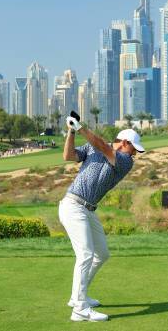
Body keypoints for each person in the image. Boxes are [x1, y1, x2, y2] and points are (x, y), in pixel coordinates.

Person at [59, 115, 144, 322]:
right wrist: (71, 131)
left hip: (88, 210)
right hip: (72, 206)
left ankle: (77, 296)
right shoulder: (93, 148)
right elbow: (68, 156)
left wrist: (80, 128)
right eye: (134, 149)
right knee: (86, 254)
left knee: (102, 254)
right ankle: (79, 308)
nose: (135, 154)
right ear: (124, 143)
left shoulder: (124, 161)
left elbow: (104, 147)